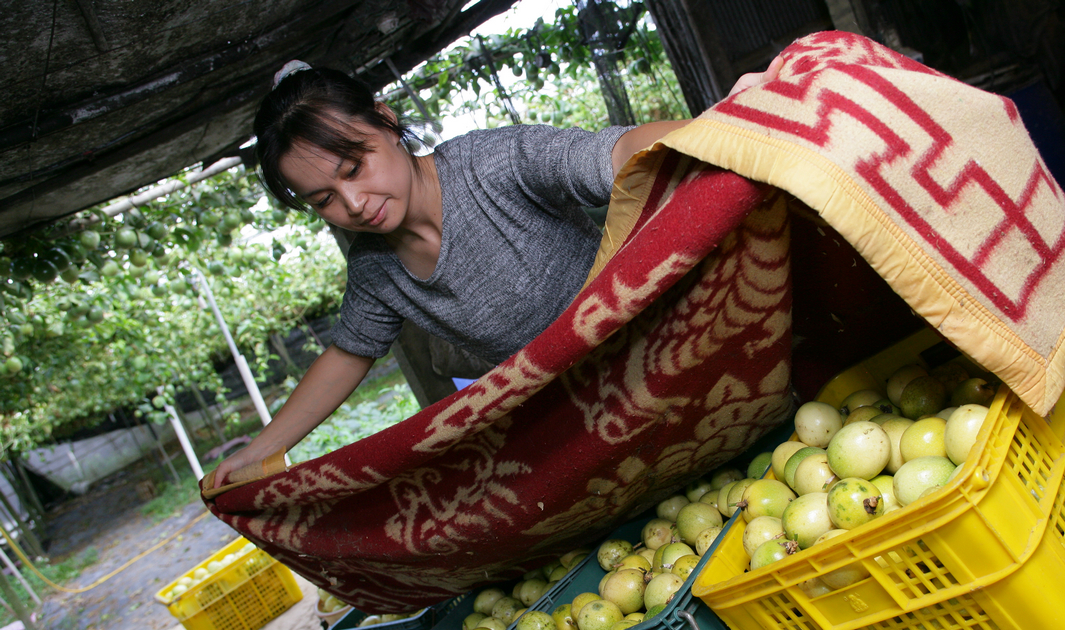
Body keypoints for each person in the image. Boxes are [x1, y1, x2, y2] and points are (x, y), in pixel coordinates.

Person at [210, 56, 783, 489]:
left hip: (675, 366)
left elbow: (612, 154)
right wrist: (258, 452)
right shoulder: (375, 272)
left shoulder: (492, 166)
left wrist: (712, 130)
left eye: (355, 167)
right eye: (324, 199)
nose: (354, 203)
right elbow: (346, 356)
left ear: (386, 122)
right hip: (582, 424)